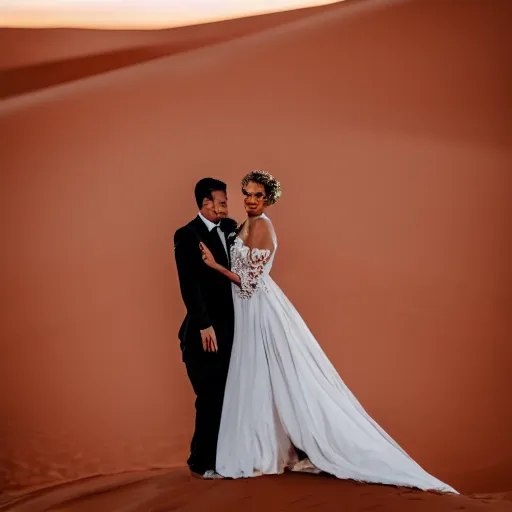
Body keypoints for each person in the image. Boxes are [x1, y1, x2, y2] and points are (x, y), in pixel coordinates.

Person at [198, 170, 458, 493]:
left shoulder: (263, 227)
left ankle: (280, 448)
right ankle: (265, 446)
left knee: (268, 373)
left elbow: (249, 283)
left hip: (258, 310)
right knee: (256, 376)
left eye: (258, 195)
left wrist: (214, 266)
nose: (251, 200)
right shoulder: (243, 224)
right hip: (245, 310)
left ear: (269, 199)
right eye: (247, 194)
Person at [173, 178, 237, 479]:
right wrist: (204, 325)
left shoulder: (230, 227)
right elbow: (189, 285)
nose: (226, 208)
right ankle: (203, 463)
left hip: (233, 330)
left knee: (226, 395)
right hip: (204, 334)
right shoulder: (187, 235)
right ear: (205, 203)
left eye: (226, 203)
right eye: (221, 203)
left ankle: (220, 457)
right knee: (210, 396)